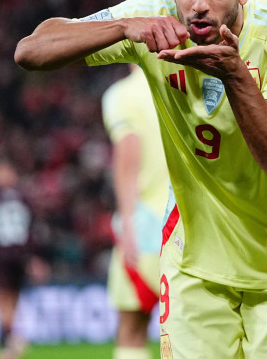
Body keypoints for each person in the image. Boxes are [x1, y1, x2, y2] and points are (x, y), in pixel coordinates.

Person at [15, 0, 267, 359]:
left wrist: (236, 75)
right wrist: (122, 28)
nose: (198, 3)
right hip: (192, 262)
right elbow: (31, 49)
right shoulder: (154, 15)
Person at [102, 65, 169, 359]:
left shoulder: (123, 95)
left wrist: (127, 221)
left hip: (145, 224)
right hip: (188, 223)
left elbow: (129, 151)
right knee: (188, 331)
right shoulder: (185, 84)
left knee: (131, 329)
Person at [0, 161, 38, 359]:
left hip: (1, 253)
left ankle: (11, 338)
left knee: (2, 298)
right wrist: (32, 256)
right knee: (11, 299)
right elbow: (32, 228)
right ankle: (10, 343)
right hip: (20, 253)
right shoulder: (24, 197)